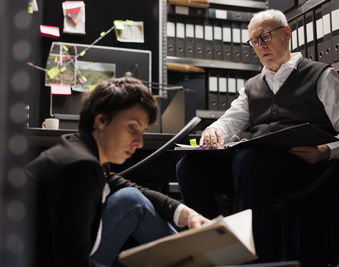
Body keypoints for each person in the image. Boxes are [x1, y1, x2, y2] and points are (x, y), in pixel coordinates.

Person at [176, 9, 339, 265]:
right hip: (255, 167)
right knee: (189, 167)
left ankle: (254, 260)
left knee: (248, 160)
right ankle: (216, 249)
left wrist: (325, 150)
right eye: (254, 41)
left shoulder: (320, 75)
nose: (260, 45)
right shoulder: (253, 85)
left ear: (286, 33)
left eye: (265, 36)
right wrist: (215, 131)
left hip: (304, 164)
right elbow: (231, 120)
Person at [26, 77, 209, 267]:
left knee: (131, 197)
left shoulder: (83, 154)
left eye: (142, 132)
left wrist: (189, 215)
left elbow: (135, 190)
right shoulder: (79, 168)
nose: (139, 142)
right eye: (132, 128)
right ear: (102, 121)